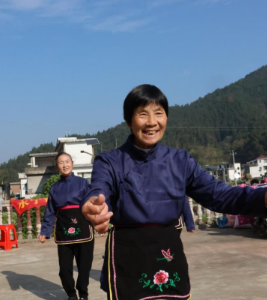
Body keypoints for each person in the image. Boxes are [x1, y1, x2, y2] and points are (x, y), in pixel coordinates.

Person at [81, 84, 267, 300]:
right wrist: (94, 206)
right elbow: (98, 191)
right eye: (143, 114)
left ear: (166, 118)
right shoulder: (109, 161)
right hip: (128, 256)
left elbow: (220, 195)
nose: (152, 122)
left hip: (168, 254)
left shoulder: (181, 161)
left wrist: (262, 197)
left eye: (159, 113)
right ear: (129, 121)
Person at [39, 152, 94, 300]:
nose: (65, 165)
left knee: (84, 266)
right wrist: (45, 230)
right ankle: (71, 294)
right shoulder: (55, 188)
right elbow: (50, 211)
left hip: (83, 229)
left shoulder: (84, 183)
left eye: (67, 161)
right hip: (63, 231)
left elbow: (92, 205)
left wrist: (98, 223)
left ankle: (83, 294)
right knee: (64, 269)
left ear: (72, 164)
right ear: (57, 167)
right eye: (61, 163)